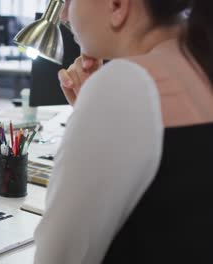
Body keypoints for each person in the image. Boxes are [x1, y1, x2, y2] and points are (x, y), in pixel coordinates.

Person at [34, 0, 213, 263]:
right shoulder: (199, 66)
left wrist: (97, 106)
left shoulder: (125, 84)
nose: (63, 14)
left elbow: (58, 256)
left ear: (117, 6)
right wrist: (91, 114)